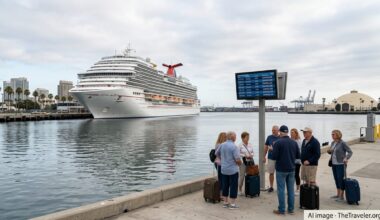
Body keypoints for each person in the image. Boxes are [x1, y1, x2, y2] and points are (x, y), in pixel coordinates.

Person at [272, 125, 300, 215]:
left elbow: (274, 157)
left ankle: (282, 210)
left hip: (281, 169)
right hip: (291, 168)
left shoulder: (277, 142)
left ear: (280, 132)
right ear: (287, 132)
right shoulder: (294, 142)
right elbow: (298, 156)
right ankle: (291, 209)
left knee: (281, 190)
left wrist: (272, 149)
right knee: (291, 190)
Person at [215, 131, 242, 209]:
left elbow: (216, 153)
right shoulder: (234, 147)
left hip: (224, 169)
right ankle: (232, 204)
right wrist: (240, 163)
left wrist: (223, 159)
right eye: (235, 136)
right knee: (233, 186)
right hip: (233, 170)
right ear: (232, 137)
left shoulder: (222, 145)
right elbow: (237, 159)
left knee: (225, 185)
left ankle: (225, 202)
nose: (236, 137)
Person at [327, 129, 353, 202]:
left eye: (333, 134)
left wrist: (346, 158)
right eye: (331, 134)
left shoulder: (343, 143)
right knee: (336, 179)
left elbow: (350, 152)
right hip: (333, 164)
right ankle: (338, 194)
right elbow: (330, 151)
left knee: (340, 179)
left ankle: (341, 196)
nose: (332, 135)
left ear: (338, 135)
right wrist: (329, 151)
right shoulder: (332, 143)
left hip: (341, 164)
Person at [263, 125, 280, 192]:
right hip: (271, 158)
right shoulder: (269, 137)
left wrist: (273, 149)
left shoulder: (281, 137)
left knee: (279, 173)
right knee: (271, 173)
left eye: (274, 130)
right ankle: (271, 186)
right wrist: (264, 156)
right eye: (272, 130)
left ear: (278, 131)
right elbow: (265, 147)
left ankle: (279, 187)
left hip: (279, 159)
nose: (273, 131)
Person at [238, 131, 254, 196]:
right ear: (242, 138)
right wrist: (244, 155)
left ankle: (250, 189)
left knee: (251, 174)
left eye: (248, 137)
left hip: (250, 161)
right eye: (247, 137)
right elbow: (238, 154)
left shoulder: (250, 144)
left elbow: (252, 151)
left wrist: (251, 155)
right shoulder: (240, 145)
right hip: (243, 162)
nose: (248, 138)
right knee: (242, 176)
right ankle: (239, 189)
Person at [214, 132, 227, 199]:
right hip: (219, 163)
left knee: (222, 178)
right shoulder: (220, 145)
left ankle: (221, 193)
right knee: (221, 179)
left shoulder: (218, 144)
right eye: (226, 137)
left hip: (220, 163)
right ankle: (220, 194)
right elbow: (220, 155)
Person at [290, 128, 302, 195]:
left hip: (297, 161)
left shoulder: (298, 141)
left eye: (293, 133)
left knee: (296, 174)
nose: (291, 134)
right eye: (291, 132)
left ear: (296, 133)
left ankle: (298, 189)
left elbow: (299, 152)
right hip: (291, 161)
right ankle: (291, 188)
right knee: (291, 175)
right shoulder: (290, 140)